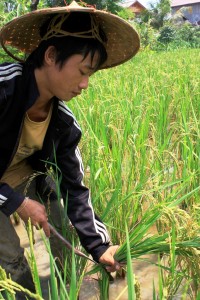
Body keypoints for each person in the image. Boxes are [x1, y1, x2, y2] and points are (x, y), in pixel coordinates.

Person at [0, 1, 140, 298]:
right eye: (83, 71)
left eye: (92, 75)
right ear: (51, 55)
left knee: (62, 227)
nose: (85, 84)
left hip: (24, 175)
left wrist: (100, 247)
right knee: (10, 259)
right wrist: (16, 202)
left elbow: (75, 189)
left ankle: (65, 290)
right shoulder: (4, 89)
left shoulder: (64, 123)